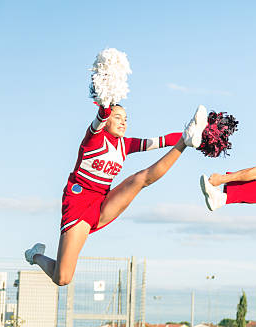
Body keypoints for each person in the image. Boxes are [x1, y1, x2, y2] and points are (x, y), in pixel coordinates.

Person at [24, 104, 208, 285]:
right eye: (117, 117)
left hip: (102, 199)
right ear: (106, 121)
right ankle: (35, 255)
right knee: (62, 278)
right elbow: (100, 117)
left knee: (141, 180)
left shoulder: (125, 144)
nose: (123, 122)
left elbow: (162, 140)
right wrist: (104, 103)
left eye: (126, 119)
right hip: (78, 201)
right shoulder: (94, 137)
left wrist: (200, 136)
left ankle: (186, 141)